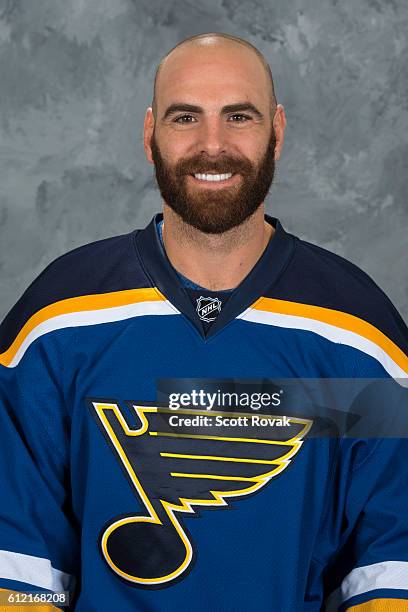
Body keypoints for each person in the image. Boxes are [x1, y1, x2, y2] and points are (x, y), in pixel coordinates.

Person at [0, 31, 407, 612]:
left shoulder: (359, 335)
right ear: (150, 135)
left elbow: (386, 568)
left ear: (278, 130)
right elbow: (19, 566)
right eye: (185, 117)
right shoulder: (58, 322)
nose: (212, 145)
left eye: (238, 116)